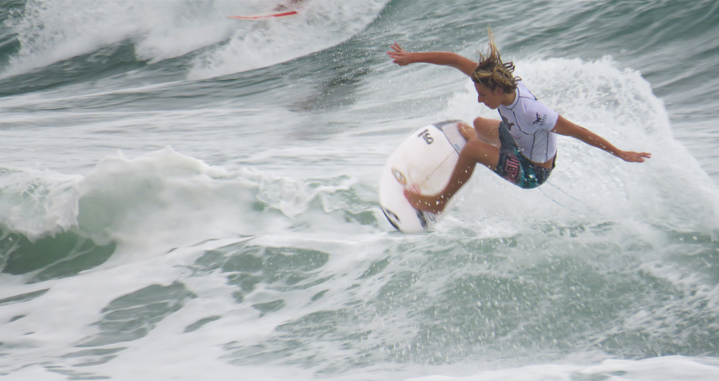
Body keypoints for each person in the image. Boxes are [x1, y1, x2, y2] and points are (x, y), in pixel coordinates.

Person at [386, 28, 651, 214]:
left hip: (533, 171)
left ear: (498, 91)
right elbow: (455, 60)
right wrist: (412, 58)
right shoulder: (494, 84)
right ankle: (486, 153)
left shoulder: (533, 112)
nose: (480, 99)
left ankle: (439, 201)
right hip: (516, 140)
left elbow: (578, 132)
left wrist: (619, 153)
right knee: (477, 124)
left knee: (473, 149)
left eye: (483, 95)